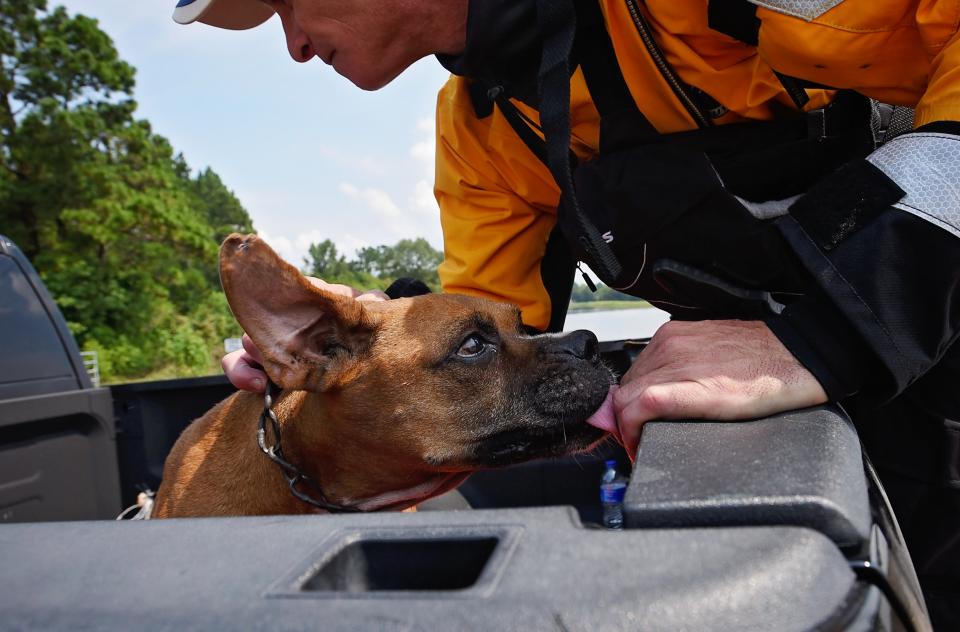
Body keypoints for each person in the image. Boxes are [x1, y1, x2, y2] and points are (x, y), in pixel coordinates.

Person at [173, 0, 959, 626]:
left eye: (284, 3)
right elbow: (483, 319)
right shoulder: (481, 128)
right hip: (818, 403)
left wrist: (826, 329)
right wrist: (351, 346)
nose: (295, 46)